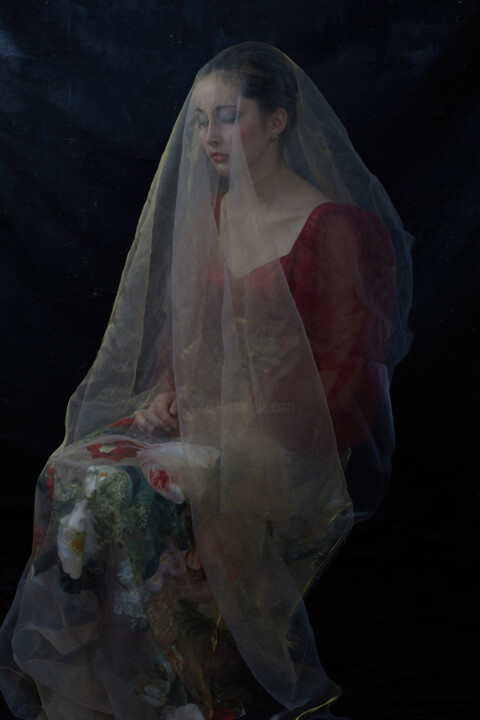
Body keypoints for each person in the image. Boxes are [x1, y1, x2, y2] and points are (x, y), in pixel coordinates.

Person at [0, 43, 413, 720]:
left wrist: (242, 417)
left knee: (131, 491)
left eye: (228, 116)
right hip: (203, 419)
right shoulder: (215, 213)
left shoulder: (336, 229)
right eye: (199, 121)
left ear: (277, 121)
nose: (209, 137)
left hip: (293, 439)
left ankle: (191, 688)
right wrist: (168, 390)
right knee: (69, 470)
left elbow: (349, 380)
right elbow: (188, 334)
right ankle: (115, 681)